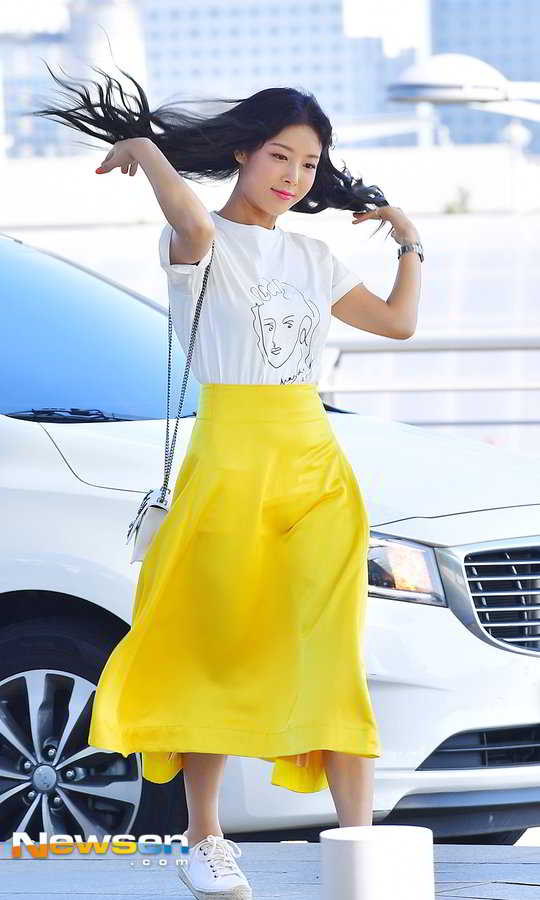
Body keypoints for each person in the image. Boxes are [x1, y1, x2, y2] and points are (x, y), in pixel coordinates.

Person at [31, 63, 422, 900]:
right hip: (230, 465)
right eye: (280, 156)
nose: (294, 177)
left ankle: (359, 846)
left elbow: (398, 323)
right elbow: (186, 217)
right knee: (213, 647)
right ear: (243, 152)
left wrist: (408, 240)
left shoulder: (313, 255)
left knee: (331, 652)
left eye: (309, 164)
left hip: (316, 470)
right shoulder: (198, 240)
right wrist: (144, 149)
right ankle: (204, 837)